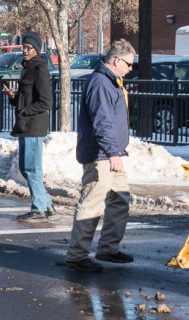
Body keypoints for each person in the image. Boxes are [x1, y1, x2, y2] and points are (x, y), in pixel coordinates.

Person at [65, 39, 136, 273]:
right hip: (101, 155)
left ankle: (108, 248)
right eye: (128, 64)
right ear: (116, 60)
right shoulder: (100, 83)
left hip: (111, 153)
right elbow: (102, 121)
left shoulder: (111, 81)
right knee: (92, 204)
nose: (130, 69)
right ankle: (77, 255)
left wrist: (116, 151)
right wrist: (112, 151)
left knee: (120, 199)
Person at [2, 31, 57, 222]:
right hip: (25, 125)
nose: (24, 51)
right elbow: (27, 97)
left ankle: (39, 209)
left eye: (28, 48)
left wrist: (25, 111)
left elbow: (46, 101)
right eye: (23, 47)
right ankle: (47, 203)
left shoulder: (39, 69)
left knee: (32, 168)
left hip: (34, 126)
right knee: (26, 168)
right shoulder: (28, 67)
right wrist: (14, 97)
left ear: (36, 49)